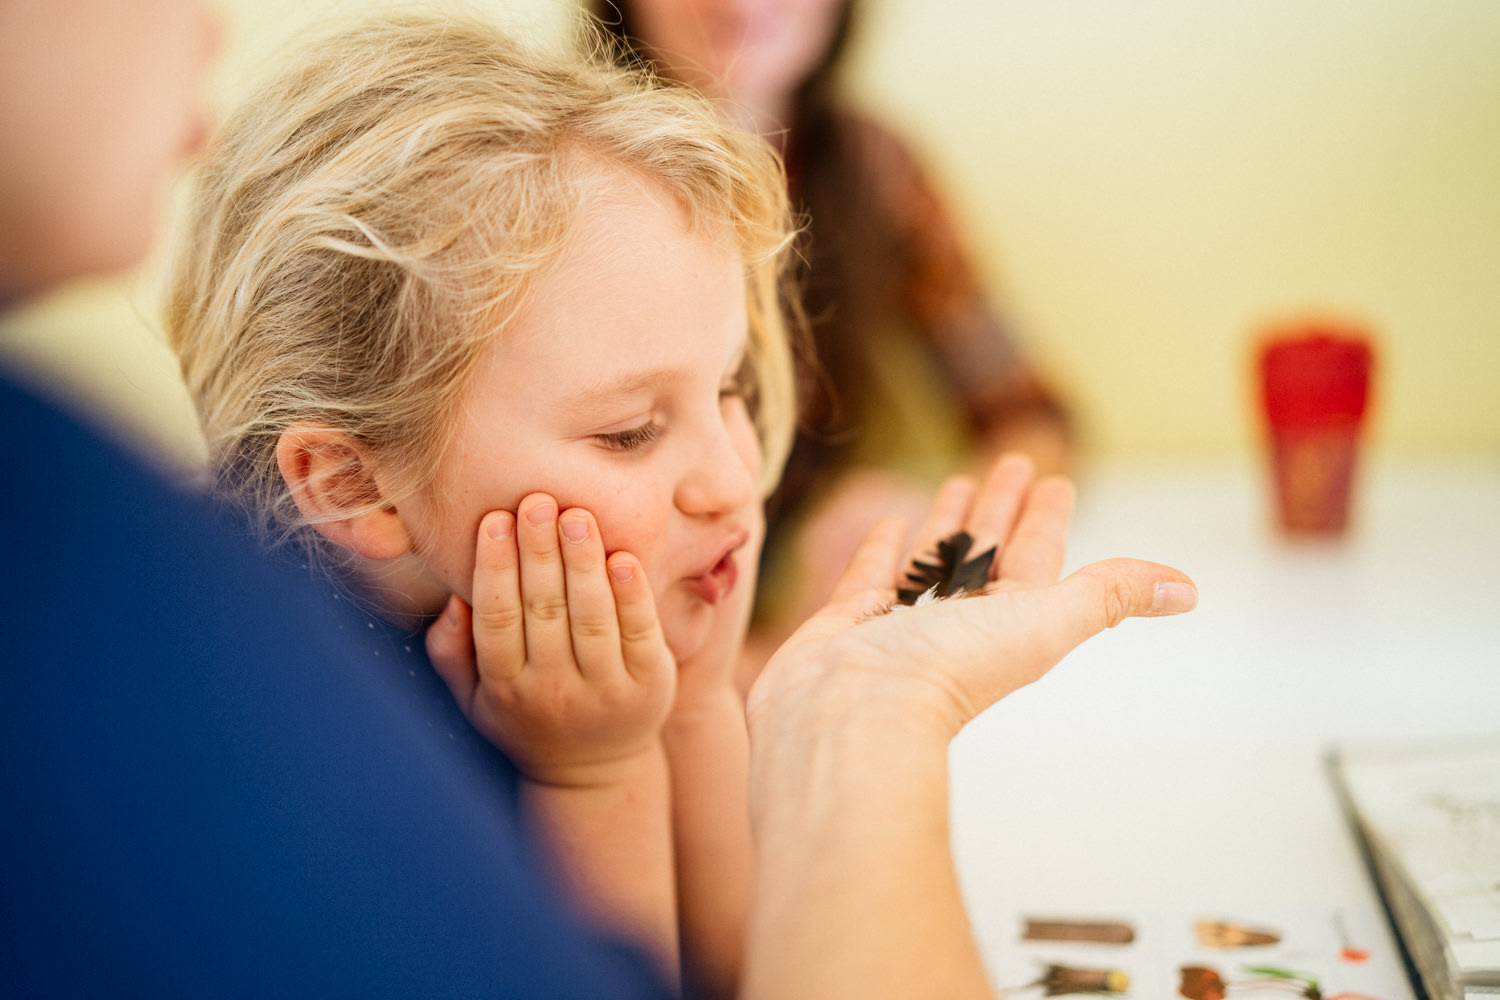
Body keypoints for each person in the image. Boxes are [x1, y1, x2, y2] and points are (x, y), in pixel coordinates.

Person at [1, 2, 1198, 998]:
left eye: (730, 388)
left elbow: (743, 965)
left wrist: (693, 707)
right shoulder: (333, 714)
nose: (736, 481)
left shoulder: (564, 626)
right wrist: (597, 773)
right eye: (629, 429)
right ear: (353, 481)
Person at [588, 0, 1074, 654]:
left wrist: (938, 525)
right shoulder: (546, 179)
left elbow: (1031, 417)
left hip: (799, 623)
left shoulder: (877, 167)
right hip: (613, 625)